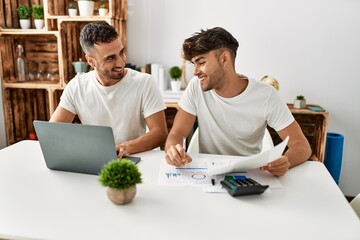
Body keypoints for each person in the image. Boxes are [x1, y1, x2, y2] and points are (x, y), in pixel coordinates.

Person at [165, 27, 311, 177]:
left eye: (201, 62)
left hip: (248, 176)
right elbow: (177, 132)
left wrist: (286, 160)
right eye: (194, 64)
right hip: (208, 175)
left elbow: (302, 145)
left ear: (224, 58)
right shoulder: (195, 87)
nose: (195, 71)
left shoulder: (266, 95)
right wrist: (172, 149)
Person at [50, 21, 168, 158]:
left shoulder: (145, 82)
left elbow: (160, 134)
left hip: (135, 158)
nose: (121, 62)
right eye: (110, 58)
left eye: (121, 52)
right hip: (96, 158)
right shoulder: (76, 86)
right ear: (91, 61)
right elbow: (54, 132)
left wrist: (123, 148)